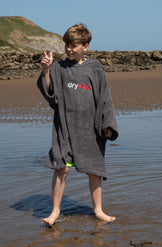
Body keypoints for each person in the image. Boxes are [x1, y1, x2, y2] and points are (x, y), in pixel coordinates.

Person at [37, 23, 118, 227]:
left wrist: (107, 123)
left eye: (74, 45)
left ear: (86, 47)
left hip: (90, 129)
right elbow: (51, 95)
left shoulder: (95, 68)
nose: (69, 49)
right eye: (67, 45)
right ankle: (55, 211)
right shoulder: (59, 68)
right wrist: (46, 71)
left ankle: (98, 210)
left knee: (94, 170)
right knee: (61, 169)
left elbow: (105, 97)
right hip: (64, 127)